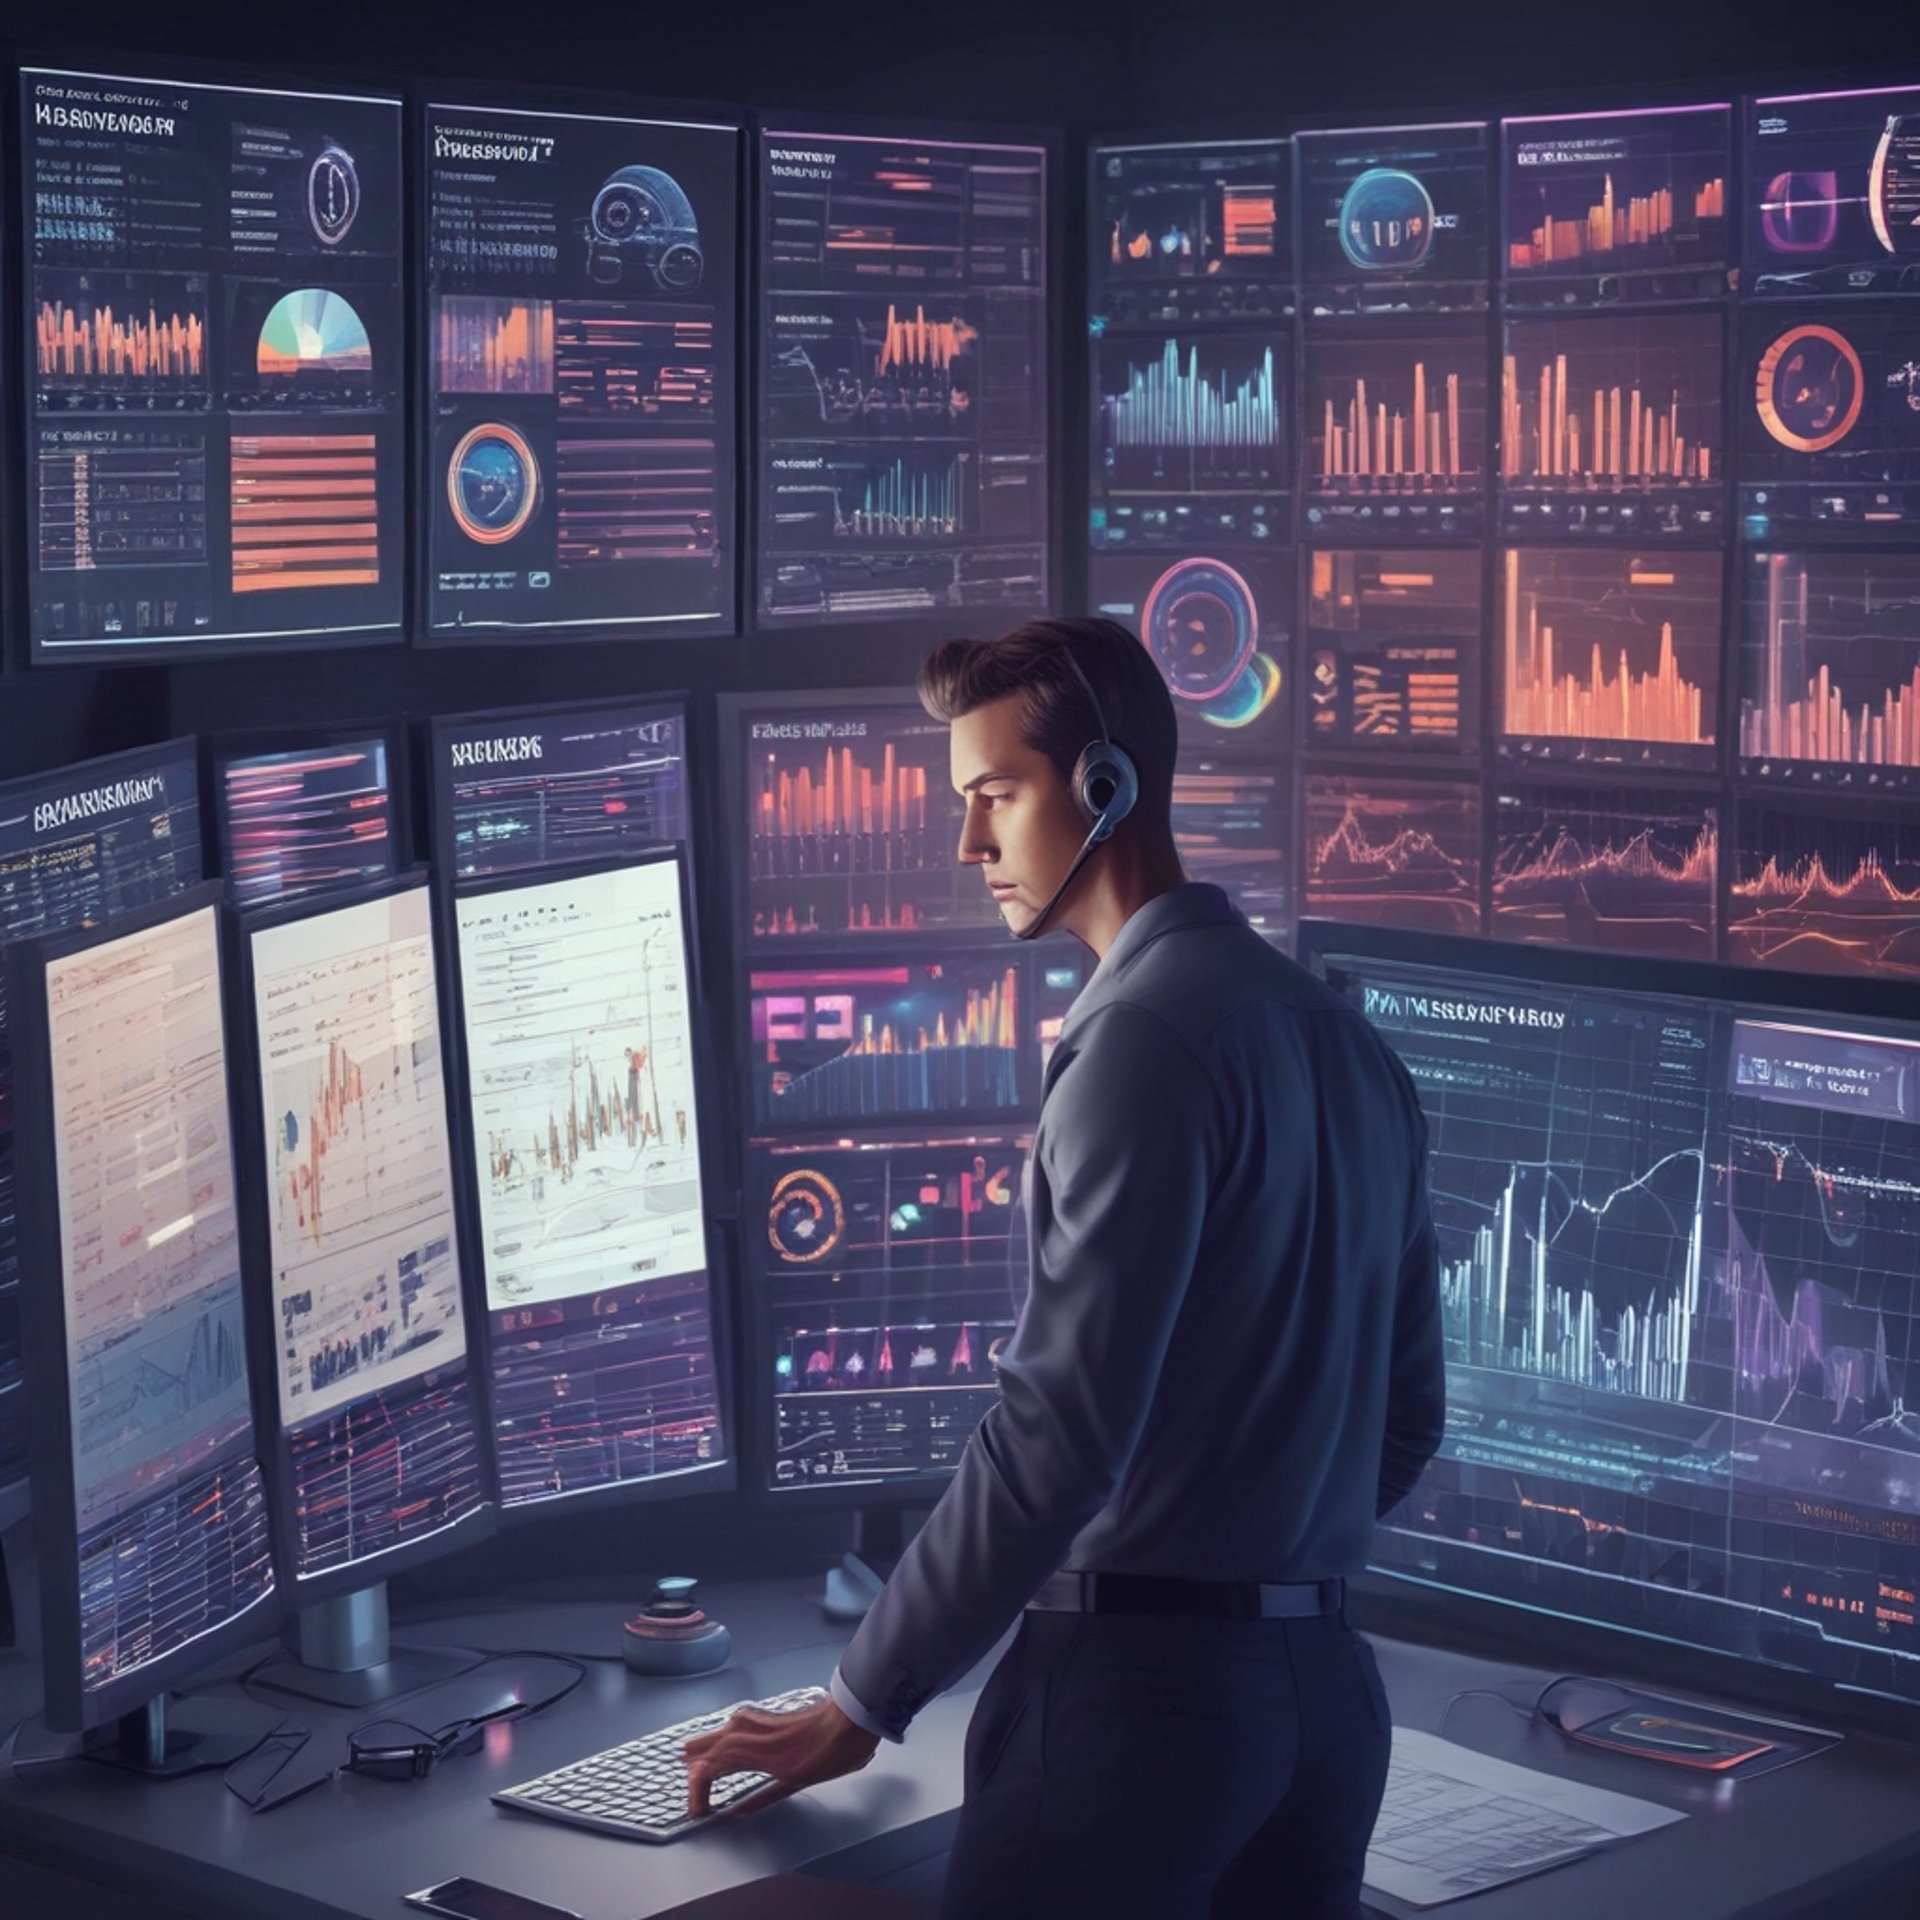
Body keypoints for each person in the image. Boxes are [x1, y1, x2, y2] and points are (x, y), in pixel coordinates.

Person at [685, 616, 1445, 1919]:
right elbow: (1408, 1419)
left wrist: (861, 1700)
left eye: (995, 796)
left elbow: (1056, 1441)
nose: (969, 845)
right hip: (1327, 1711)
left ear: (1104, 786)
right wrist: (1262, 1552)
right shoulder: (1345, 1043)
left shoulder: (1138, 1043)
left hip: (1138, 1718)